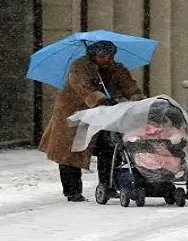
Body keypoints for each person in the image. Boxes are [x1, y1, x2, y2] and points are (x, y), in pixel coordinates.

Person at [38, 40, 145, 202]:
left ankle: (108, 185)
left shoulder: (117, 68)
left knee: (110, 148)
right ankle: (72, 192)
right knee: (70, 153)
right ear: (93, 55)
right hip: (74, 113)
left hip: (104, 115)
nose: (107, 59)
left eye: (111, 55)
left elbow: (129, 86)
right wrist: (100, 99)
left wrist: (138, 100)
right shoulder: (80, 67)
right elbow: (83, 87)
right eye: (103, 55)